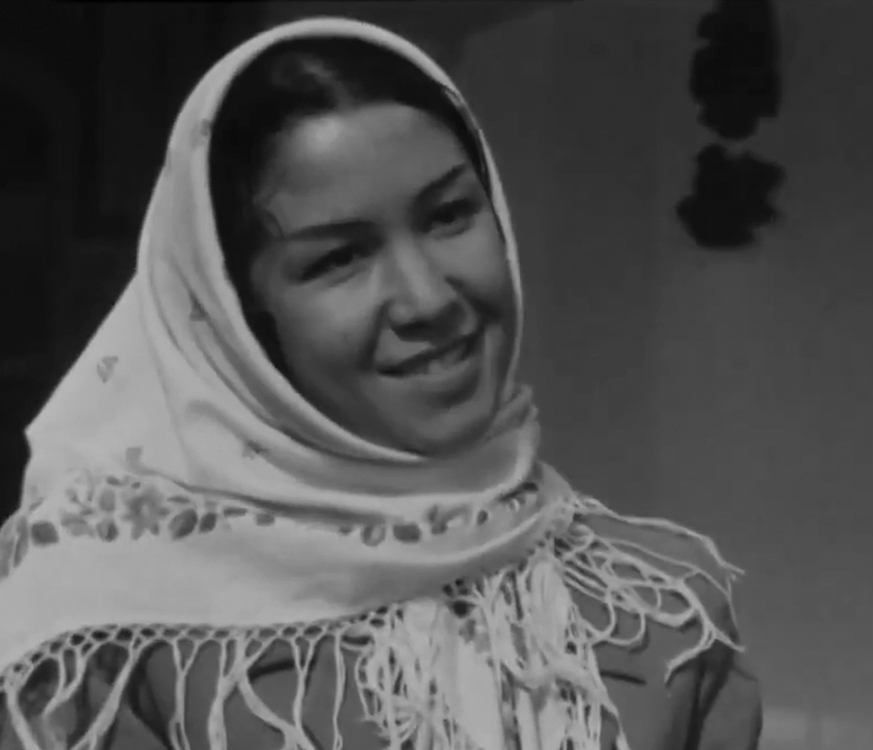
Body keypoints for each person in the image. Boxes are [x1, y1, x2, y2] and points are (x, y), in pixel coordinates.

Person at [0, 17, 762, 750]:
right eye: (339, 259)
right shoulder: (103, 641)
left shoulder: (658, 612)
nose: (427, 299)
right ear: (239, 312)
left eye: (449, 215)